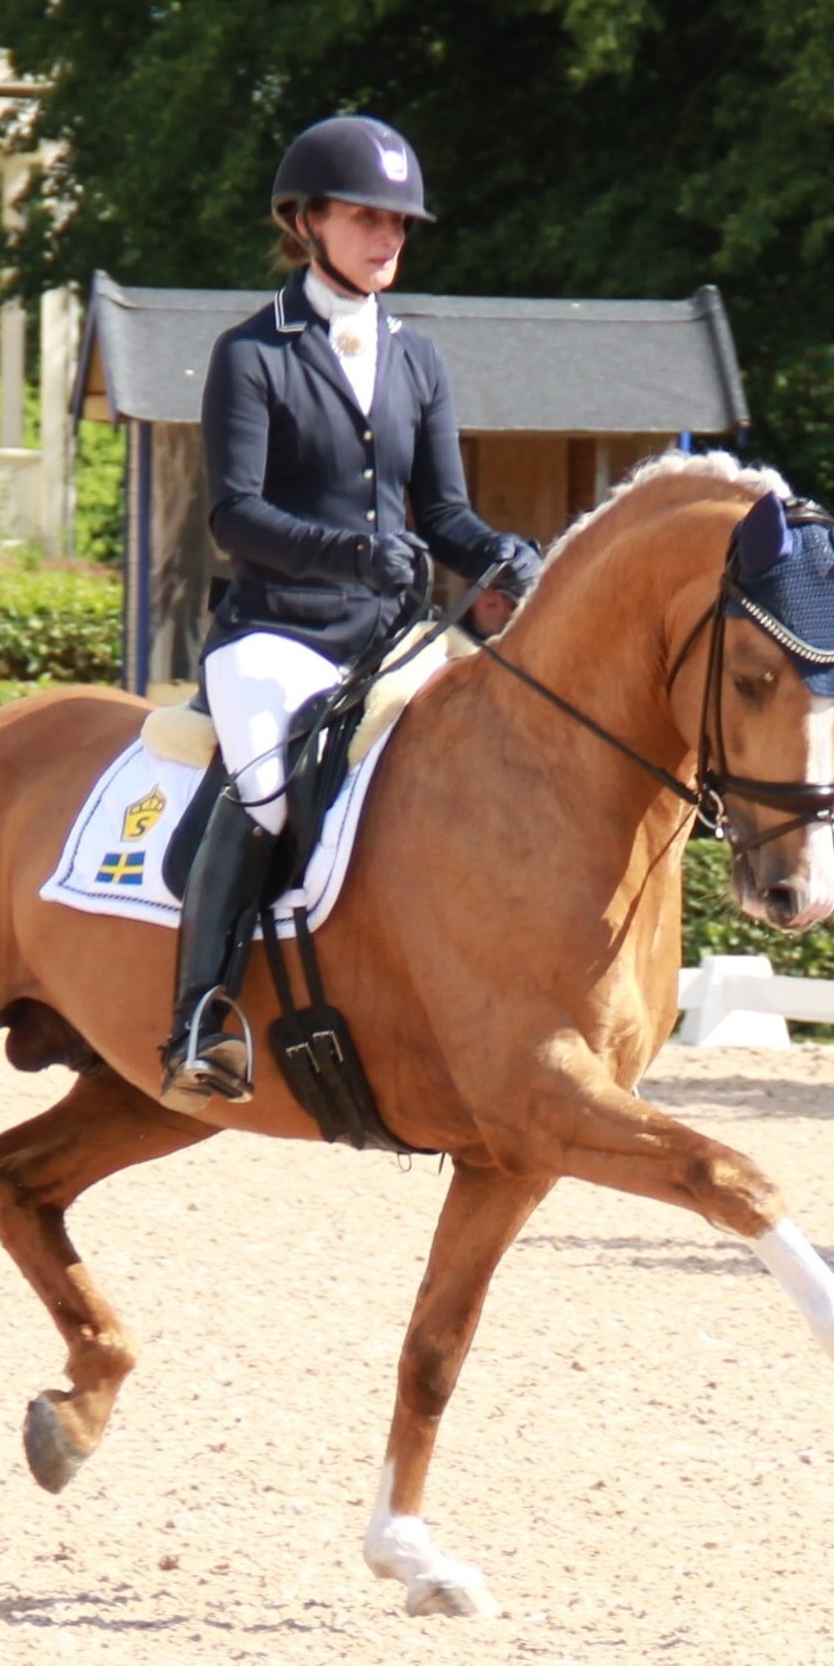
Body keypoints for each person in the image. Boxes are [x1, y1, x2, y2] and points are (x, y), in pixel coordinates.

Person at [158, 113, 541, 1111]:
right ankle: (198, 1019)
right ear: (309, 220)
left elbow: (445, 513)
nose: (387, 241)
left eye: (400, 226)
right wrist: (352, 550)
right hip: (278, 635)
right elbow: (235, 513)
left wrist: (503, 553)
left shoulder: (417, 360)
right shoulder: (253, 354)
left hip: (390, 641)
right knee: (270, 792)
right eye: (368, 220)